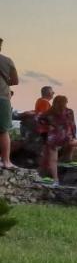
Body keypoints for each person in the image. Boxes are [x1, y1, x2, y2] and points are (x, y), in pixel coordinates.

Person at [36, 95, 77, 184]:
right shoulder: (69, 111)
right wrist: (74, 136)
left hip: (53, 138)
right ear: (65, 102)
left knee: (53, 160)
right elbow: (73, 125)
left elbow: (39, 118)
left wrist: (48, 126)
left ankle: (56, 180)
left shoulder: (50, 112)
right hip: (66, 137)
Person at [0, 38, 17, 169]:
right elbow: (15, 81)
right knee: (3, 130)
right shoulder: (7, 61)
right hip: (3, 97)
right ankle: (6, 161)